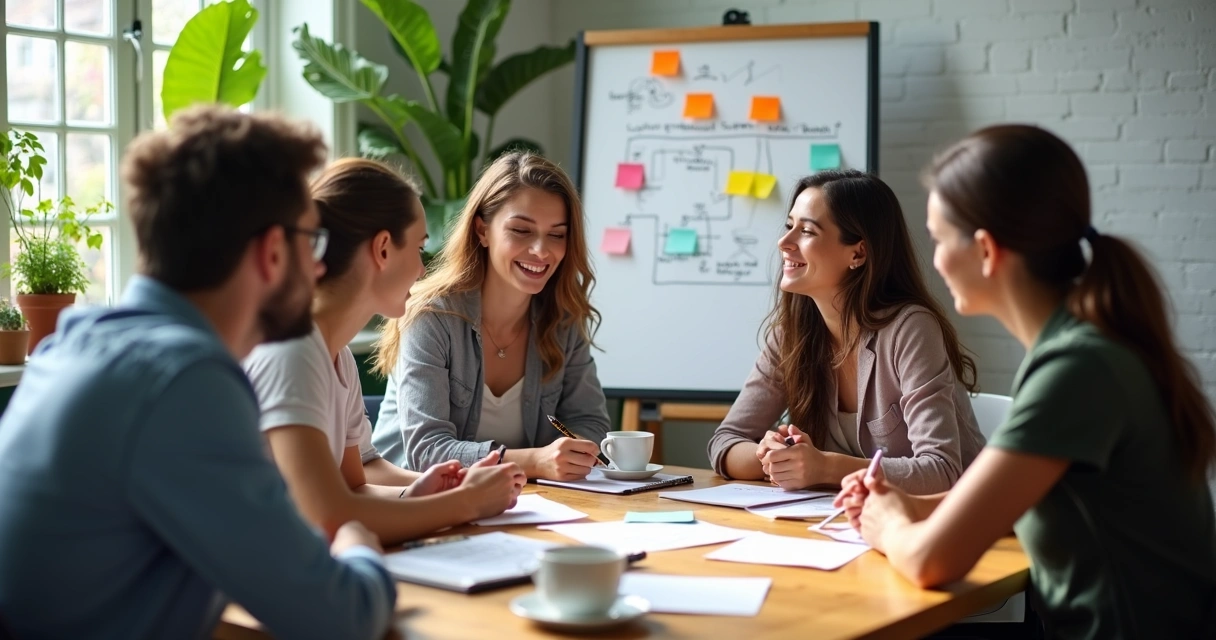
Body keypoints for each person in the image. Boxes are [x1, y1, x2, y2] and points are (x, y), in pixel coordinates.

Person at [0, 106, 396, 639]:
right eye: (313, 242)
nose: (320, 266)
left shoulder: (77, 343)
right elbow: (339, 617)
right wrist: (358, 547)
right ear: (273, 252)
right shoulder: (182, 382)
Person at [837, 125, 1216, 638]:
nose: (935, 261)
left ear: (987, 251)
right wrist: (909, 505)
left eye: (940, 240)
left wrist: (888, 526)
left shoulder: (1076, 370)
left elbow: (930, 561)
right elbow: (1018, 500)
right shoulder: (1084, 348)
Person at [243, 158, 526, 545]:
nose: (423, 271)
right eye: (420, 247)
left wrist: (425, 493)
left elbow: (354, 487)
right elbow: (329, 516)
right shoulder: (292, 350)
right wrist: (466, 503)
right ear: (382, 249)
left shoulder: (336, 354)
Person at [708, 170, 985, 493]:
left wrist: (824, 466)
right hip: (843, 523)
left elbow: (941, 469)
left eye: (807, 231)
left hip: (949, 525)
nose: (784, 242)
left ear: (858, 253)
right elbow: (724, 443)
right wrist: (775, 457)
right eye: (788, 226)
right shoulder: (791, 334)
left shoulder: (910, 329)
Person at [371, 152, 610, 481]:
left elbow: (590, 422)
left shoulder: (563, 320)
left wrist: (574, 453)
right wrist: (534, 461)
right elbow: (426, 451)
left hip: (521, 503)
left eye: (557, 235)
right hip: (412, 504)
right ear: (482, 230)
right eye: (522, 230)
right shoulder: (430, 316)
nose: (542, 250)